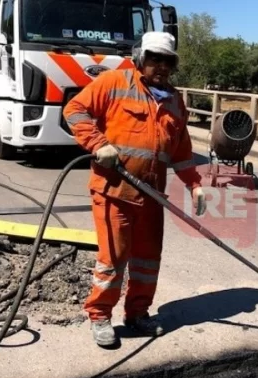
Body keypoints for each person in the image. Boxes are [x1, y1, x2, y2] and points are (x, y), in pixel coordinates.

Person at [62, 31, 207, 347]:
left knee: (147, 260)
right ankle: (100, 315)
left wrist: (194, 185)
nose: (161, 66)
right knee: (113, 258)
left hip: (153, 195)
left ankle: (138, 314)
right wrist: (98, 144)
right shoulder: (115, 82)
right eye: (155, 58)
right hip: (115, 191)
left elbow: (181, 151)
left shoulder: (175, 101)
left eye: (167, 60)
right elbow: (74, 110)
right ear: (141, 58)